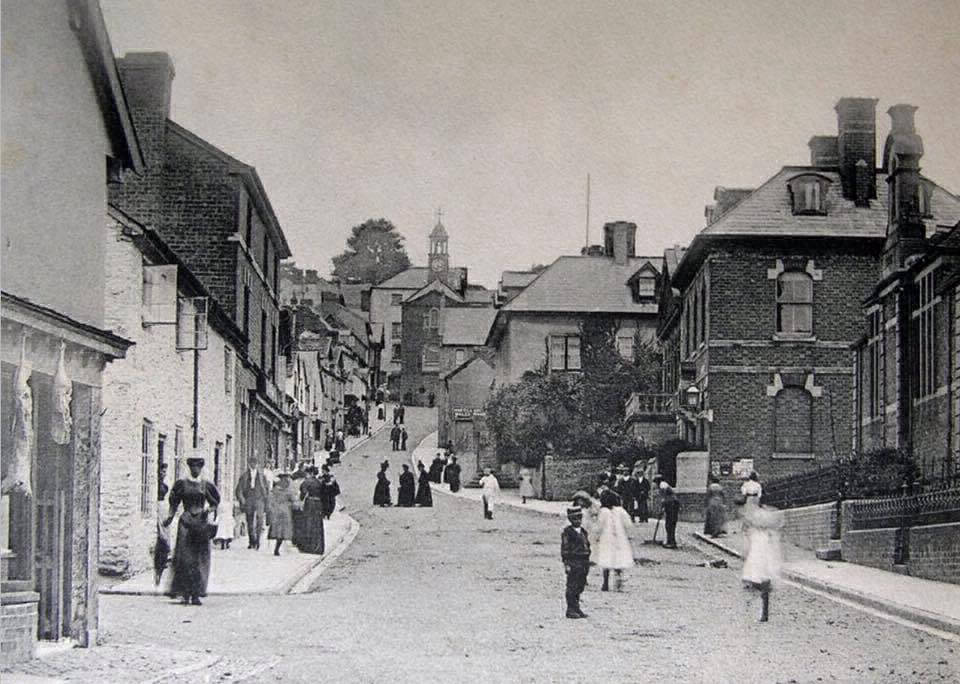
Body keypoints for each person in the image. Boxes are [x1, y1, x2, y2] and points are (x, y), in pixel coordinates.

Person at [163, 456, 220, 605]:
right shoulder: (182, 484)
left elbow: (215, 502)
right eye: (193, 467)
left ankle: (196, 593)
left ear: (201, 468)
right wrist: (169, 517)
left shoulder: (205, 484)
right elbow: (174, 502)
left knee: (199, 559)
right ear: (189, 468)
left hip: (201, 523)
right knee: (185, 558)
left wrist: (209, 510)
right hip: (186, 522)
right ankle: (185, 593)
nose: (195, 469)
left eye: (198, 467)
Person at [737, 490, 783, 622]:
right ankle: (763, 609)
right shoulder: (772, 515)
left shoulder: (757, 515)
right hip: (766, 545)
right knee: (764, 577)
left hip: (761, 546)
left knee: (759, 575)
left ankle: (761, 609)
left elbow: (750, 525)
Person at [595, 489, 634, 592]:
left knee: (606, 560)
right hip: (619, 538)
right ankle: (619, 583)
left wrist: (596, 536)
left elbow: (599, 526)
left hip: (606, 538)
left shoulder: (603, 512)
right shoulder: (620, 511)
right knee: (619, 560)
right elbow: (628, 524)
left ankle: (606, 583)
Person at [561, 506, 591, 619]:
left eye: (579, 518)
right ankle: (570, 609)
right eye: (574, 519)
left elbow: (588, 545)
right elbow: (565, 549)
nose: (577, 521)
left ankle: (577, 607)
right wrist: (566, 563)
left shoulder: (583, 532)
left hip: (584, 561)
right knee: (572, 585)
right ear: (570, 520)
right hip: (574, 561)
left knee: (580, 585)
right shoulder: (567, 533)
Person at [235, 458, 269, 550]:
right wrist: (242, 500)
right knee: (249, 521)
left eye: (255, 463)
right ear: (249, 464)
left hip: (259, 499)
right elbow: (239, 490)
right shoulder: (244, 476)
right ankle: (251, 541)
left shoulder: (262, 476)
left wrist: (266, 500)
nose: (253, 465)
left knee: (260, 520)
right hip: (249, 499)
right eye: (251, 463)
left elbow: (266, 489)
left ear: (257, 464)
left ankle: (258, 541)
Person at [296, 466, 325, 554]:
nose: (306, 475)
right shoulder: (319, 482)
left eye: (307, 473)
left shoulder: (306, 482)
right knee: (317, 525)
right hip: (318, 504)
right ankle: (317, 547)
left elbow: (303, 493)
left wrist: (301, 500)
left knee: (308, 523)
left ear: (311, 473)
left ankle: (308, 547)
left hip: (310, 504)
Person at [268, 474, 296, 556]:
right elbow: (293, 500)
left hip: (276, 511)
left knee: (278, 531)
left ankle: (277, 548)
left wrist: (271, 508)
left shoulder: (275, 490)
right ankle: (277, 548)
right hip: (285, 511)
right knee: (283, 531)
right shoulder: (288, 490)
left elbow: (270, 499)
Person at [660, 482, 681, 549]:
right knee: (669, 527)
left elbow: (669, 505)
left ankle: (672, 543)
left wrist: (663, 507)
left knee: (670, 527)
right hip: (671, 515)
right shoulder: (671, 497)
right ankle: (670, 541)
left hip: (672, 515)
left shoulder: (671, 498)